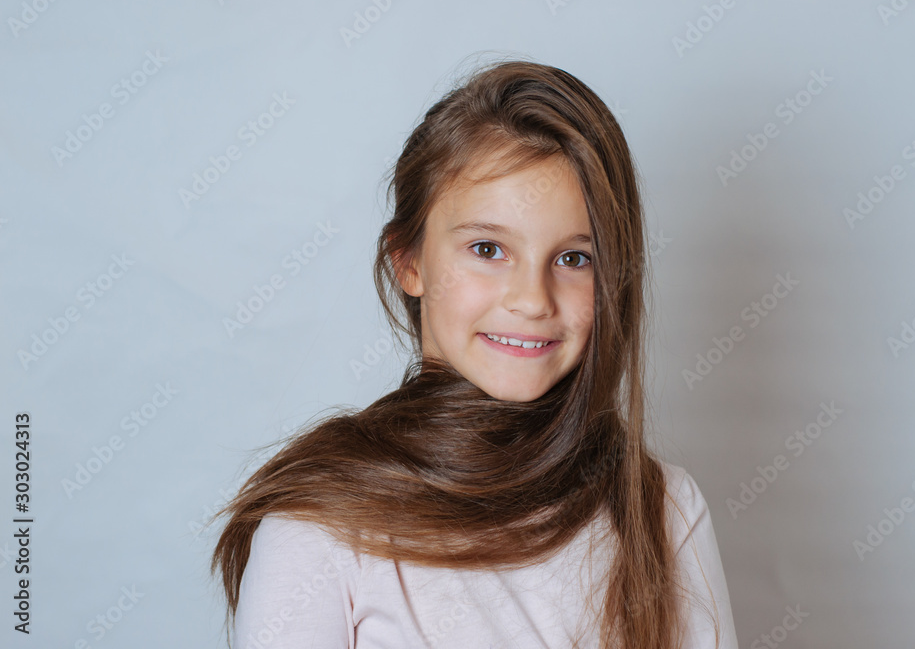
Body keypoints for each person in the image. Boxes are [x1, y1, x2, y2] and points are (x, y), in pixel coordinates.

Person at [211, 57, 738, 649]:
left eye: (573, 259)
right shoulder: (320, 525)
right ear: (408, 262)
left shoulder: (662, 509)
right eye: (487, 249)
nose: (532, 300)